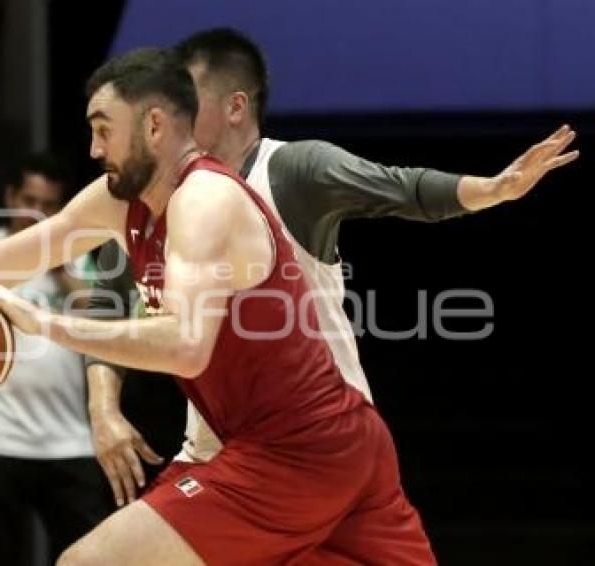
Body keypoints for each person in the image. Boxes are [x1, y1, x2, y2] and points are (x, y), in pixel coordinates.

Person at [0, 48, 578, 564]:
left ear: (154, 124)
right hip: (316, 446)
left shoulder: (206, 203)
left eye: (101, 128)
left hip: (297, 451)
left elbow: (183, 347)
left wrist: (40, 321)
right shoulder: (126, 200)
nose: (91, 148)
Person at [85, 28, 581, 507]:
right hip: (224, 447)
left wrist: (494, 188)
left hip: (317, 439)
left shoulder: (293, 171)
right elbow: (113, 296)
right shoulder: (158, 194)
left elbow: (402, 187)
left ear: (235, 107)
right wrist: (103, 407)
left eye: (187, 101)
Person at [0, 153, 112, 564]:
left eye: (48, 205)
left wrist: (57, 264)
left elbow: (110, 322)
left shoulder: (83, 256)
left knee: (91, 555)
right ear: (10, 196)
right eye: (29, 200)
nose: (36, 213)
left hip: (69, 439)